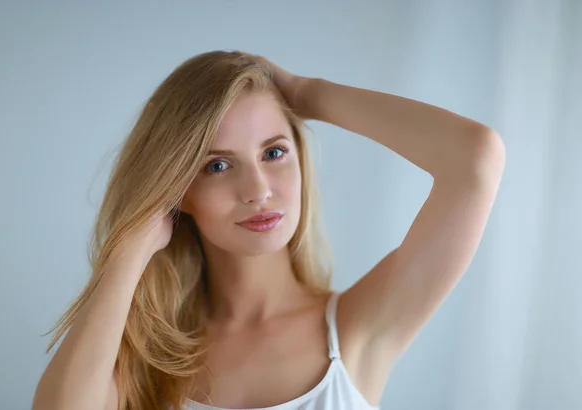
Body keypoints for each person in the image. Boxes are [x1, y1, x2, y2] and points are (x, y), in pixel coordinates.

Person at [32, 50, 506, 410]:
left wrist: (304, 93)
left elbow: (475, 157)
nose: (257, 190)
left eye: (274, 152)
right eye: (217, 165)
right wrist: (130, 248)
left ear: (300, 157)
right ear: (177, 191)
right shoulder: (143, 358)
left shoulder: (359, 329)